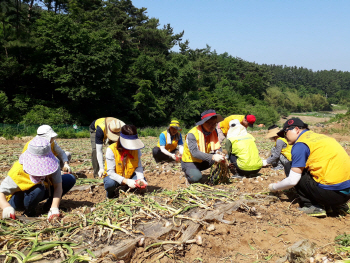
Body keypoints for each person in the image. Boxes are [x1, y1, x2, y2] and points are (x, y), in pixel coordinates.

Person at [269, 118, 350, 217]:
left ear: (296, 129)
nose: (285, 137)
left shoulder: (300, 144)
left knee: (289, 166)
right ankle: (334, 206)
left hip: (331, 195)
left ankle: (312, 206)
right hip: (346, 194)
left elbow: (292, 181)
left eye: (286, 132)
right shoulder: (321, 138)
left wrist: (274, 187)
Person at [0, 136, 76, 219]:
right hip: (18, 200)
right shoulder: (18, 172)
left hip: (42, 189)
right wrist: (6, 207)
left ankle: (49, 206)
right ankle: (29, 212)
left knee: (69, 179)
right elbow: (1, 192)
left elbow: (58, 186)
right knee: (38, 189)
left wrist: (54, 207)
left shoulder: (54, 165)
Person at [181, 109, 225, 183]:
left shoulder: (213, 132)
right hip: (190, 161)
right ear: (203, 123)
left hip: (202, 160)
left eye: (215, 123)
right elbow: (195, 153)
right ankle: (189, 173)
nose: (213, 126)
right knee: (196, 178)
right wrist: (213, 157)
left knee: (221, 160)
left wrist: (220, 154)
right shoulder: (192, 134)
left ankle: (214, 178)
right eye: (210, 123)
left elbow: (217, 147)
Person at [103, 125, 147, 198]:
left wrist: (141, 179)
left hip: (129, 175)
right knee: (110, 184)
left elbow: (138, 167)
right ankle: (111, 194)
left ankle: (129, 190)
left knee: (140, 182)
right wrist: (127, 181)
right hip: (114, 178)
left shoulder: (136, 150)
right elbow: (110, 172)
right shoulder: (111, 150)